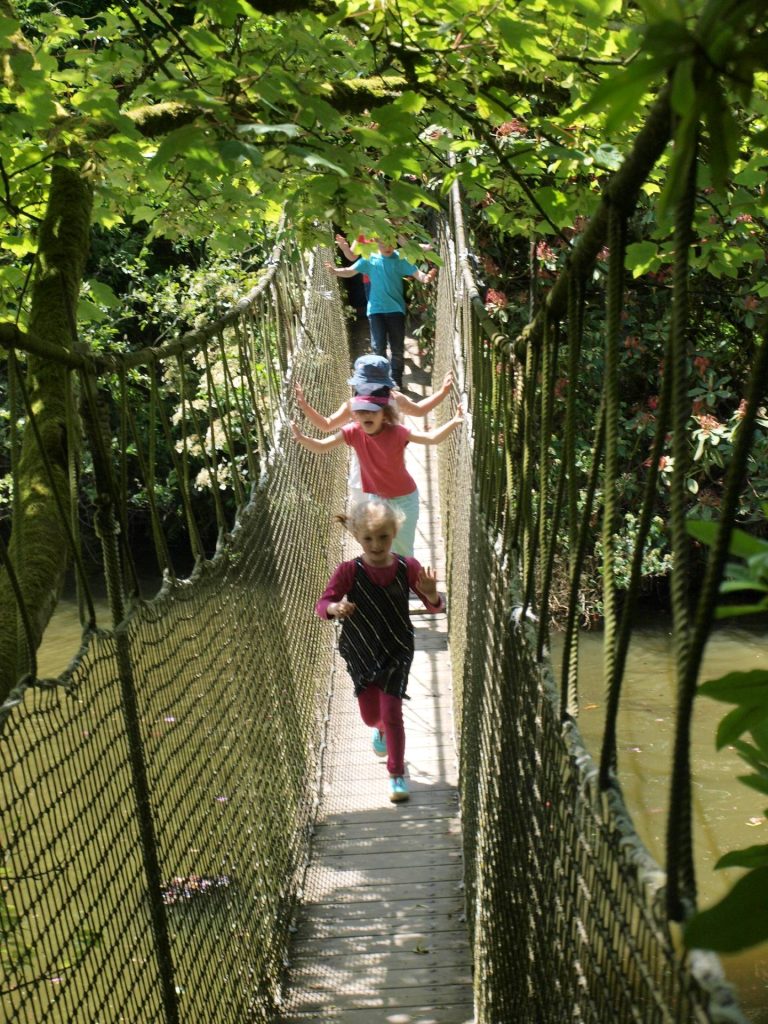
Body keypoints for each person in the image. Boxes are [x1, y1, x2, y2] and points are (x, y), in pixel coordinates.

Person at [315, 498, 445, 803]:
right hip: (360, 647)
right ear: (357, 537)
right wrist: (334, 607)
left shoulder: (407, 567)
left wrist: (431, 594)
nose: (376, 545)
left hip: (396, 648)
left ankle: (396, 774)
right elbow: (322, 605)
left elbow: (435, 607)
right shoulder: (349, 570)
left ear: (395, 532)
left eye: (384, 537)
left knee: (392, 712)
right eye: (369, 538)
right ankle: (381, 731)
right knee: (371, 716)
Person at [290, 391, 463, 558]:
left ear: (385, 414)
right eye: (362, 411)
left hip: (405, 501)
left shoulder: (397, 432)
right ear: (356, 414)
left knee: (403, 551)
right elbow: (321, 446)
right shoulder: (353, 431)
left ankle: (405, 585)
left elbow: (432, 438)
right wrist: (302, 439)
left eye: (373, 411)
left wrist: (455, 421)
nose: (367, 415)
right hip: (377, 500)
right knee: (380, 550)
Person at [294, 353, 454, 503]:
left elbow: (326, 425)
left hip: (380, 480)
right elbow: (420, 410)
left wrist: (443, 392)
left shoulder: (366, 403)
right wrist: (442, 393)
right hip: (369, 481)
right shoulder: (362, 404)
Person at [327, 239, 437, 389]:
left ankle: (396, 381)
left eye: (391, 242)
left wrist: (427, 278)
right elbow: (351, 270)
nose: (388, 246)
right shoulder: (369, 258)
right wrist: (335, 271)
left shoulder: (400, 258)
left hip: (396, 310)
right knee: (378, 347)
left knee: (397, 348)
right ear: (376, 242)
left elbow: (418, 274)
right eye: (384, 242)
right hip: (375, 310)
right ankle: (381, 381)